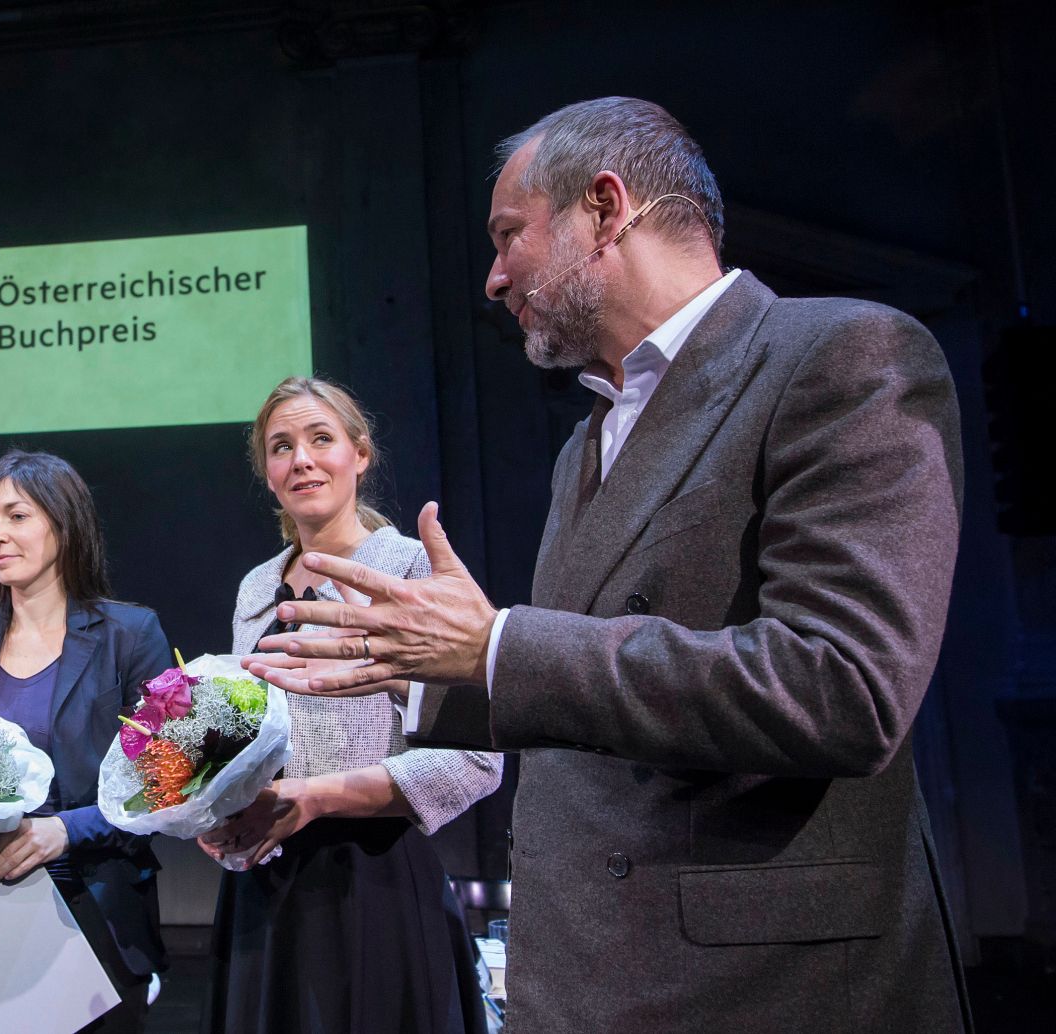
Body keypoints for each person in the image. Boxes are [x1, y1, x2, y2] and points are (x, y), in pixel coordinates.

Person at [248, 97, 970, 1033]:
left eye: (510, 236)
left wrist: (495, 649)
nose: (494, 279)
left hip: (758, 986)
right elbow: (577, 704)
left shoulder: (842, 356)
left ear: (604, 206)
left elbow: (842, 688)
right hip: (588, 974)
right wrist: (421, 671)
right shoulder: (586, 441)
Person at [202, 377, 500, 1034]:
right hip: (264, 885)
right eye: (281, 447)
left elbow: (478, 758)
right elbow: (247, 741)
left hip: (373, 881)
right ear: (268, 473)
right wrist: (214, 805)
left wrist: (315, 797)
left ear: (360, 454)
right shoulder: (256, 588)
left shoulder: (413, 570)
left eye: (320, 439)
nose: (301, 460)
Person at [0, 449, 168, 1034]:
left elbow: (163, 783)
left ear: (65, 524)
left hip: (92, 906)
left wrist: (64, 830)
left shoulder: (129, 636)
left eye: (17, 516)